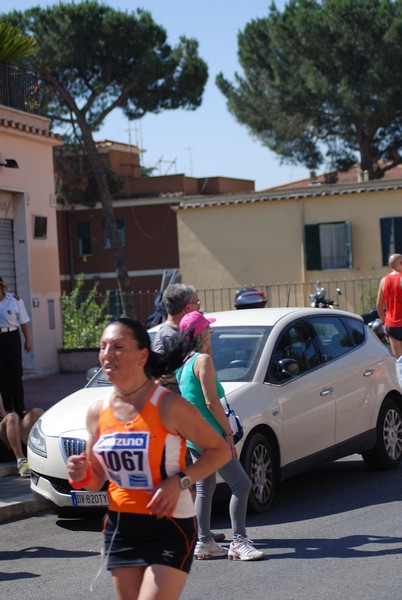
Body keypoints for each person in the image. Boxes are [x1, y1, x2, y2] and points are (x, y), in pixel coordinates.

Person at [66, 317, 230, 600]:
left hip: (169, 524)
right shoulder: (97, 411)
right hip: (121, 526)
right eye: (103, 346)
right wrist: (80, 474)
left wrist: (179, 481)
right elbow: (95, 481)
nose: (107, 353)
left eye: (118, 346)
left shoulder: (168, 405)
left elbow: (220, 451)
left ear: (142, 355)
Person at [175, 311, 265, 561]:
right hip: (211, 437)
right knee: (242, 484)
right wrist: (227, 433)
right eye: (209, 330)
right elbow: (211, 402)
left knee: (205, 487)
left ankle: (204, 542)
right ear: (202, 334)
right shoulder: (202, 361)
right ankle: (239, 541)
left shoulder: (185, 365)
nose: (213, 333)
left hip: (195, 436)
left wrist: (206, 348)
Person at [0, 277, 32, 417]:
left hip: (12, 337)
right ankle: (7, 408)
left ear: (1, 286)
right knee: (2, 375)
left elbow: (24, 322)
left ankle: (20, 408)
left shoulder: (15, 300)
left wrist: (28, 340)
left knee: (15, 373)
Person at [152, 284, 201, 356]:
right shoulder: (167, 337)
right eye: (197, 302)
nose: (199, 307)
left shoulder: (185, 332)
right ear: (188, 307)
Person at [0, 400, 43, 477]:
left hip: (16, 428)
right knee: (12, 417)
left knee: (37, 412)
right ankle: (21, 461)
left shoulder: (14, 388)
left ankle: (37, 454)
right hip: (3, 444)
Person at [376, 253, 402, 358]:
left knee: (399, 360)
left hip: (391, 325)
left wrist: (384, 322)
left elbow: (378, 305)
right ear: (400, 263)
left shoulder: (383, 280)